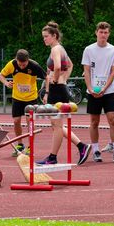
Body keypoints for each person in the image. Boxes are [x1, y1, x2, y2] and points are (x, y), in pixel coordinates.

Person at [37, 22, 91, 165]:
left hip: (58, 89)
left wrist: (56, 80)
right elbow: (70, 65)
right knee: (56, 125)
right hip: (58, 89)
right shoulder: (59, 49)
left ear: (54, 36)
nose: (44, 39)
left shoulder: (56, 49)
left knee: (57, 125)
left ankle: (53, 157)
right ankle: (81, 146)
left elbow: (58, 67)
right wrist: (53, 87)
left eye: (46, 36)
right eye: (43, 37)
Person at [81, 21, 114, 163]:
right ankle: (96, 150)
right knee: (94, 121)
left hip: (109, 91)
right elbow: (86, 70)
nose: (103, 35)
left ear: (109, 34)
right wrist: (91, 88)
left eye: (106, 32)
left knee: (113, 120)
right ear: (96, 33)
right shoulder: (88, 49)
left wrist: (105, 88)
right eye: (101, 32)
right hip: (92, 90)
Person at [0, 49, 46, 156]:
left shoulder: (34, 66)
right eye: (20, 64)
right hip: (17, 98)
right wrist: (6, 83)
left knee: (30, 122)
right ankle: (20, 145)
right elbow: (0, 76)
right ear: (16, 60)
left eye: (24, 64)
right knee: (16, 121)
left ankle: (30, 147)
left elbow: (47, 77)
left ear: (28, 60)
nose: (22, 66)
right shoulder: (12, 64)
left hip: (31, 98)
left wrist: (46, 93)